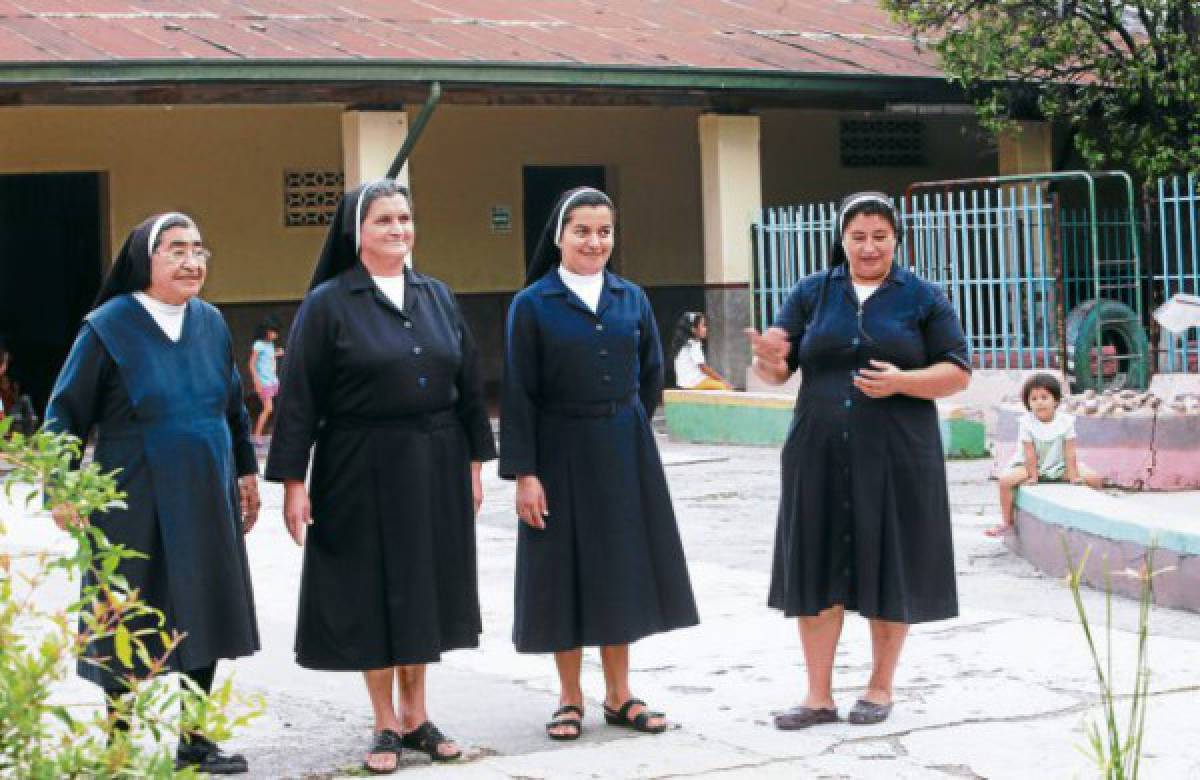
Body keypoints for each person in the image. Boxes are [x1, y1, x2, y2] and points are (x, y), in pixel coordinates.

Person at [265, 179, 495, 775]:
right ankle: (384, 721)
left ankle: (418, 715)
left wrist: (473, 463)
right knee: (372, 590)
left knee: (423, 588)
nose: (398, 229)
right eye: (384, 221)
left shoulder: (437, 295)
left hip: (435, 460)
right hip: (357, 464)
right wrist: (294, 483)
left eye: (404, 218)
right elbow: (299, 399)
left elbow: (469, 385)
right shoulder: (329, 303)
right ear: (356, 233)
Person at [44, 212, 261, 774]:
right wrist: (61, 485)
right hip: (131, 489)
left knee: (205, 607)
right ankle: (117, 738)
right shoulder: (108, 325)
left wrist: (245, 472)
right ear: (146, 259)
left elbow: (234, 407)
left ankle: (193, 738)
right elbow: (65, 412)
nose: (192, 262)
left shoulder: (210, 322)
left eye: (199, 249)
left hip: (206, 486)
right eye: (176, 250)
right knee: (125, 610)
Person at [746, 191, 970, 729]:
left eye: (879, 236)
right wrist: (767, 361)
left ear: (897, 238)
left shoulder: (922, 297)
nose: (868, 247)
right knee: (816, 562)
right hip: (816, 449)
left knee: (889, 559)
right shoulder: (811, 293)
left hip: (897, 452)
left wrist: (901, 382)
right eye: (857, 236)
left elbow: (958, 371)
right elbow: (779, 371)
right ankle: (817, 696)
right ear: (841, 238)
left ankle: (879, 685)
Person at [500, 186, 699, 741]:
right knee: (563, 570)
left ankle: (619, 694)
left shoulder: (630, 298)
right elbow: (519, 393)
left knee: (620, 568)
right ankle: (569, 698)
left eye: (604, 231)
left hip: (622, 449)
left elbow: (651, 374)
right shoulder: (532, 304)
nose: (594, 241)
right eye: (582, 231)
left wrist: (623, 423)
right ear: (559, 236)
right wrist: (526, 473)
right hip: (558, 451)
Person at [985, 373, 1105, 537]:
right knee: (1005, 482)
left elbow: (1070, 451)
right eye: (1033, 399)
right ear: (1028, 403)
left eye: (1044, 397)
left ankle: (1097, 518)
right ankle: (1007, 523)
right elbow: (1029, 452)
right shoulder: (1026, 423)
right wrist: (1033, 476)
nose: (1039, 402)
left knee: (1095, 478)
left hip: (1059, 465)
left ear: (1055, 400)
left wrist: (1074, 475)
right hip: (1028, 467)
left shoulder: (1066, 422)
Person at [671, 311, 733, 390]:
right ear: (693, 329)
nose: (706, 329)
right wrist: (723, 380)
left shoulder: (682, 345)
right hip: (694, 383)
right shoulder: (693, 344)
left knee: (713, 382)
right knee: (725, 388)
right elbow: (704, 368)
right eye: (703, 326)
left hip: (684, 384)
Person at [248, 317, 284, 442]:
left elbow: (267, 356)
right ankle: (257, 436)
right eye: (273, 331)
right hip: (264, 382)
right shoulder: (258, 344)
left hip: (273, 380)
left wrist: (276, 353)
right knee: (268, 408)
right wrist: (256, 382)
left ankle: (278, 432)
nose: (275, 335)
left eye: (276, 332)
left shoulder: (270, 344)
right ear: (266, 331)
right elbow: (251, 364)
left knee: (281, 405)